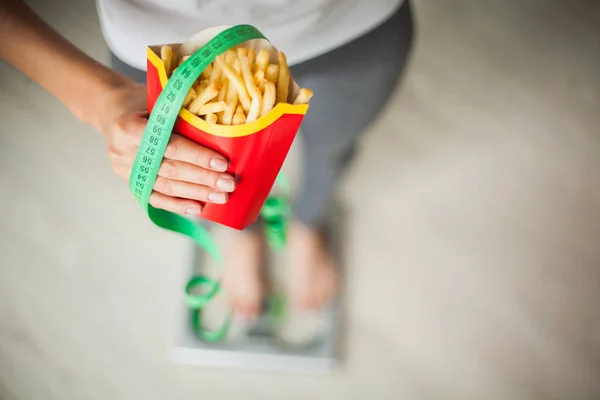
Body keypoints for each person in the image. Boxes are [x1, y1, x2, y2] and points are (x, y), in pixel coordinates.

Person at [0, 0, 413, 320]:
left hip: (352, 26)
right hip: (165, 52)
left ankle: (309, 222)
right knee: (200, 176)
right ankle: (241, 234)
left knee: (332, 147)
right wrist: (99, 101)